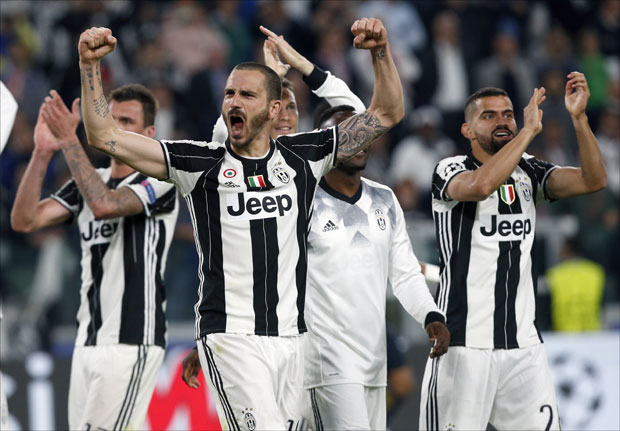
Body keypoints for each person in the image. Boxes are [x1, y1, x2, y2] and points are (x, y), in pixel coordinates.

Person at [76, 18, 404, 430]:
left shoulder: (305, 156)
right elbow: (103, 135)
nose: (234, 101)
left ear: (273, 109)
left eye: (247, 95)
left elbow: (387, 112)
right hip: (231, 337)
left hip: (292, 341)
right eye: (229, 93)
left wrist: (379, 52)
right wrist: (89, 67)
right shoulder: (198, 164)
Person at [421, 73, 606, 431]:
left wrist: (579, 119)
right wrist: (528, 132)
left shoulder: (528, 171)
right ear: (467, 130)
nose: (502, 121)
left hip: (523, 345)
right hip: (463, 343)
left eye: (508, 114)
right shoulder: (450, 169)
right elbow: (481, 186)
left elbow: (593, 180)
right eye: (488, 116)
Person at [11, 84, 179, 430]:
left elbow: (104, 205)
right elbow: (25, 220)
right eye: (110, 120)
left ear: (149, 133)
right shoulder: (89, 182)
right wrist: (43, 152)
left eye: (126, 122)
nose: (114, 129)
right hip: (87, 341)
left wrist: (69, 140)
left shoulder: (160, 179)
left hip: (132, 341)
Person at [302, 105, 449, 430]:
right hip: (326, 361)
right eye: (348, 132)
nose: (360, 139)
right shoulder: (301, 202)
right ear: (323, 141)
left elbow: (405, 273)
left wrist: (431, 315)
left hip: (374, 359)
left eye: (364, 131)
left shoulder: (384, 198)